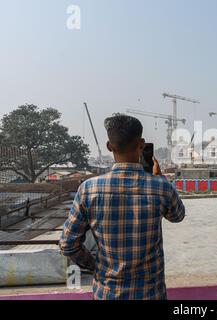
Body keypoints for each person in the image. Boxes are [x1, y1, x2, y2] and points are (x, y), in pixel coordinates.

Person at [59, 114, 185, 300]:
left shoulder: (88, 189)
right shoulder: (160, 186)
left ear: (109, 146)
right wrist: (160, 179)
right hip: (151, 294)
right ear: (141, 145)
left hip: (107, 292)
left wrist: (96, 265)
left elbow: (68, 244)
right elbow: (178, 215)